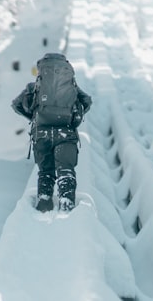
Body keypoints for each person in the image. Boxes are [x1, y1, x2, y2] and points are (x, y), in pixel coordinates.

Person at [11, 53, 92, 212]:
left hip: (42, 134)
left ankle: (44, 203)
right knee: (66, 170)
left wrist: (35, 117)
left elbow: (16, 105)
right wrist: (72, 118)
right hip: (66, 133)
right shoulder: (71, 86)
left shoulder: (34, 87)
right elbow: (87, 102)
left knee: (46, 171)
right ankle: (66, 204)